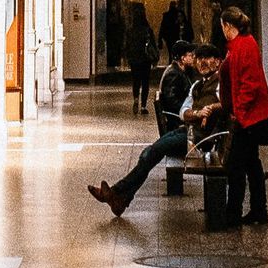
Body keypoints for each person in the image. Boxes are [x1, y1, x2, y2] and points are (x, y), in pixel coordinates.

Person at [87, 45, 217, 215]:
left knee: (153, 151)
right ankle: (119, 198)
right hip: (188, 130)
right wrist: (195, 114)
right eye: (198, 58)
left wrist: (211, 108)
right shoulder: (197, 83)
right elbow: (184, 109)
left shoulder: (215, 84)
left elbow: (225, 105)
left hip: (201, 139)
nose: (201, 62)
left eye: (207, 58)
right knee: (148, 152)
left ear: (218, 61)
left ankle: (116, 193)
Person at [217, 6, 268, 227]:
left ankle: (233, 213)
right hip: (245, 115)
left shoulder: (245, 45)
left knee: (237, 165)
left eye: (222, 26)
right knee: (251, 163)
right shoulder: (237, 45)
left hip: (248, 117)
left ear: (228, 26)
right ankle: (259, 210)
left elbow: (250, 83)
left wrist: (238, 113)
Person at [126, 3, 156, 112]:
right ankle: (143, 106)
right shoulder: (147, 30)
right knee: (145, 82)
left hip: (134, 59)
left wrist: (128, 57)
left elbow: (127, 45)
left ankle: (135, 98)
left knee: (136, 81)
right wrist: (155, 58)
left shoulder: (130, 30)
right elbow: (153, 44)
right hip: (145, 59)